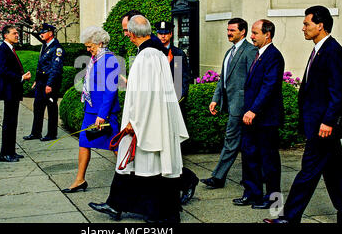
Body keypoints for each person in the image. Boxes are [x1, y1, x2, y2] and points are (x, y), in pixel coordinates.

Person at [88, 15, 189, 223]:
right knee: (149, 167)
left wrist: (134, 122)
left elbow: (145, 94)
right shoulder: (158, 54)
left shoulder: (146, 57)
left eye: (128, 33)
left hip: (147, 121)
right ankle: (126, 206)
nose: (127, 36)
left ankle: (156, 213)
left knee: (148, 167)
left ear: (133, 34)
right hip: (156, 118)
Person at [264, 6, 342, 224]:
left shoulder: (333, 52)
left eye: (306, 24)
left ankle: (289, 218)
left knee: (308, 172)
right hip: (317, 124)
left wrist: (328, 121)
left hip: (324, 127)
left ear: (320, 26)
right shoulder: (320, 50)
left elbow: (338, 92)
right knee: (336, 174)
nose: (302, 28)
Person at [62, 26, 121, 193]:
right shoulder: (97, 58)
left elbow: (110, 90)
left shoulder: (109, 60)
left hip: (104, 112)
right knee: (84, 142)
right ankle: (80, 180)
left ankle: (133, 177)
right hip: (91, 110)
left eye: (90, 46)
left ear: (100, 43)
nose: (88, 50)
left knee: (115, 146)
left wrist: (103, 115)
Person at [232, 19, 284, 209]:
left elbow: (268, 87)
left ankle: (273, 201)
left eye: (255, 33)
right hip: (252, 118)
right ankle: (252, 194)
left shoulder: (274, 56)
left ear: (267, 34)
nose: (251, 36)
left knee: (269, 161)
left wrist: (253, 110)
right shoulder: (258, 54)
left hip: (266, 119)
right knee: (249, 156)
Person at [201, 18, 257, 189]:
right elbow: (222, 80)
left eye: (232, 30)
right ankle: (252, 178)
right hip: (231, 104)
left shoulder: (250, 51)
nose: (228, 33)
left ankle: (218, 177)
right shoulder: (229, 52)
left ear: (243, 32)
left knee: (231, 140)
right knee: (244, 143)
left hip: (241, 107)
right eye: (228, 30)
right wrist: (215, 99)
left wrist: (250, 108)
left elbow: (252, 81)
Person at [154, 20, 198, 204]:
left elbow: (181, 81)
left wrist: (175, 101)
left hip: (172, 104)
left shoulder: (177, 53)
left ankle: (181, 178)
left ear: (171, 34)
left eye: (166, 33)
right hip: (156, 104)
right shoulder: (153, 52)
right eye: (160, 33)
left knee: (172, 147)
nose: (163, 36)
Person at [0, 25, 31, 162]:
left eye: (17, 33)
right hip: (9, 91)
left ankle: (11, 151)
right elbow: (3, 71)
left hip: (14, 91)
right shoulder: (1, 50)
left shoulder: (10, 49)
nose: (17, 35)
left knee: (13, 122)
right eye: (14, 33)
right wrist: (21, 78)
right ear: (6, 35)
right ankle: (5, 154)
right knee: (9, 122)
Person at [23, 23, 64, 142]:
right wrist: (36, 80)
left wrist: (50, 84)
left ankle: (52, 133)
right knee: (38, 107)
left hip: (49, 83)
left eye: (44, 32)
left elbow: (56, 68)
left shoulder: (57, 48)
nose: (41, 34)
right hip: (41, 82)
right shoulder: (45, 46)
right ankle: (36, 132)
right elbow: (40, 65)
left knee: (51, 107)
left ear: (50, 33)